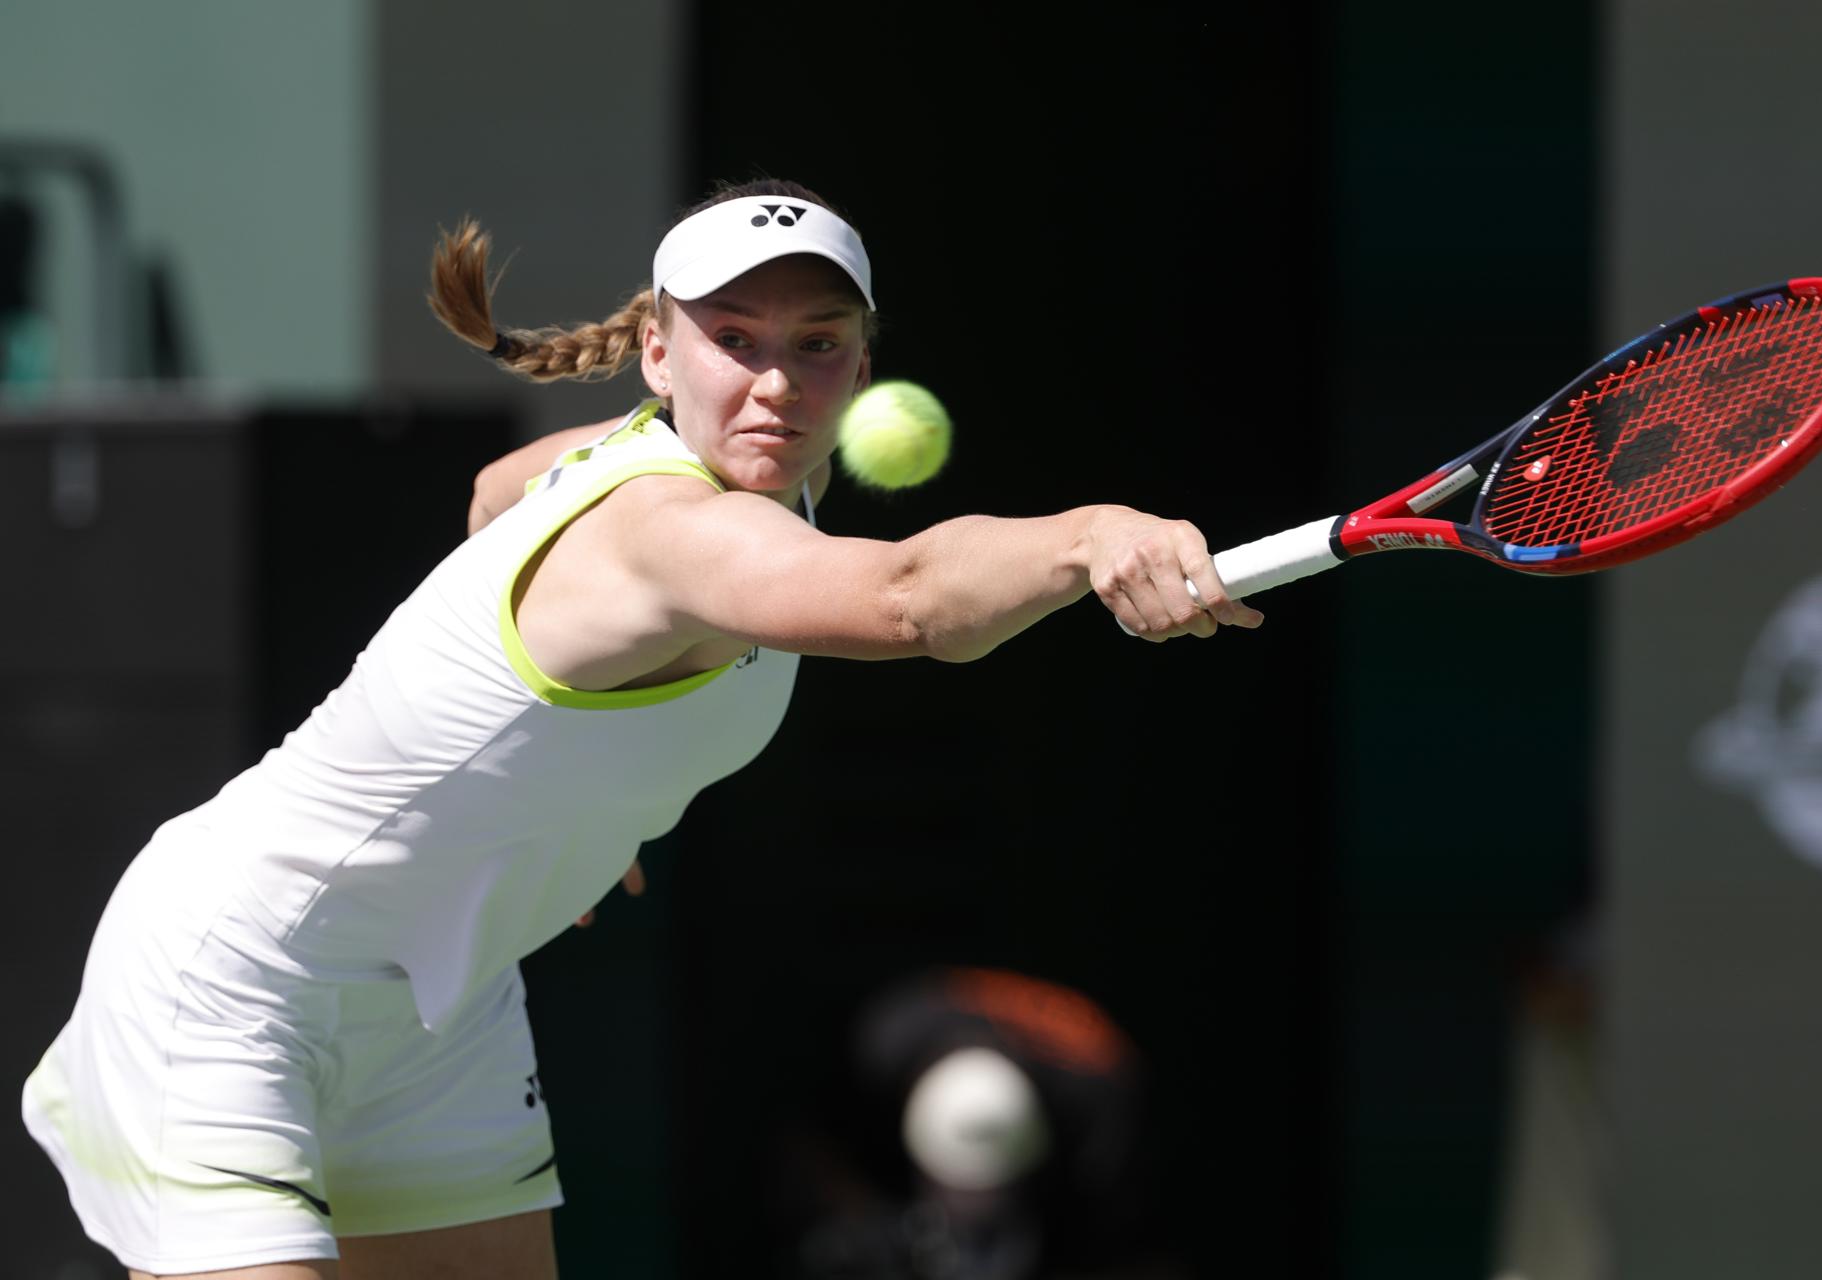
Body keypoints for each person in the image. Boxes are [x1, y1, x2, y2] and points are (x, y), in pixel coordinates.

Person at [21, 178, 1263, 1280]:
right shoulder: (670, 526)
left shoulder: (675, 468)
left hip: (442, 1008)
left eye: (816, 344)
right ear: (660, 354)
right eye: (733, 340)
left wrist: (547, 794)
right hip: (242, 971)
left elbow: (494, 491)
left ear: (863, 365)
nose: (774, 382)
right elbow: (907, 598)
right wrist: (1095, 529)